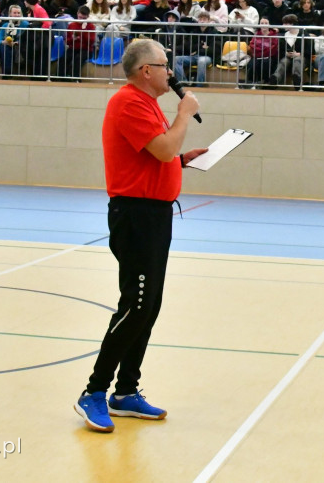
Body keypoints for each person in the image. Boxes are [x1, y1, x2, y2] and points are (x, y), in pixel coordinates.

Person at [74, 39, 206, 433]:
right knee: (136, 304)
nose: (172, 71)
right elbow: (163, 149)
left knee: (149, 305)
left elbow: (158, 155)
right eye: (166, 64)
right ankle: (93, 392)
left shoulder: (147, 104)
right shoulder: (129, 102)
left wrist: (183, 159)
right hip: (136, 216)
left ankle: (126, 391)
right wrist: (184, 114)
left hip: (155, 214)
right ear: (146, 70)